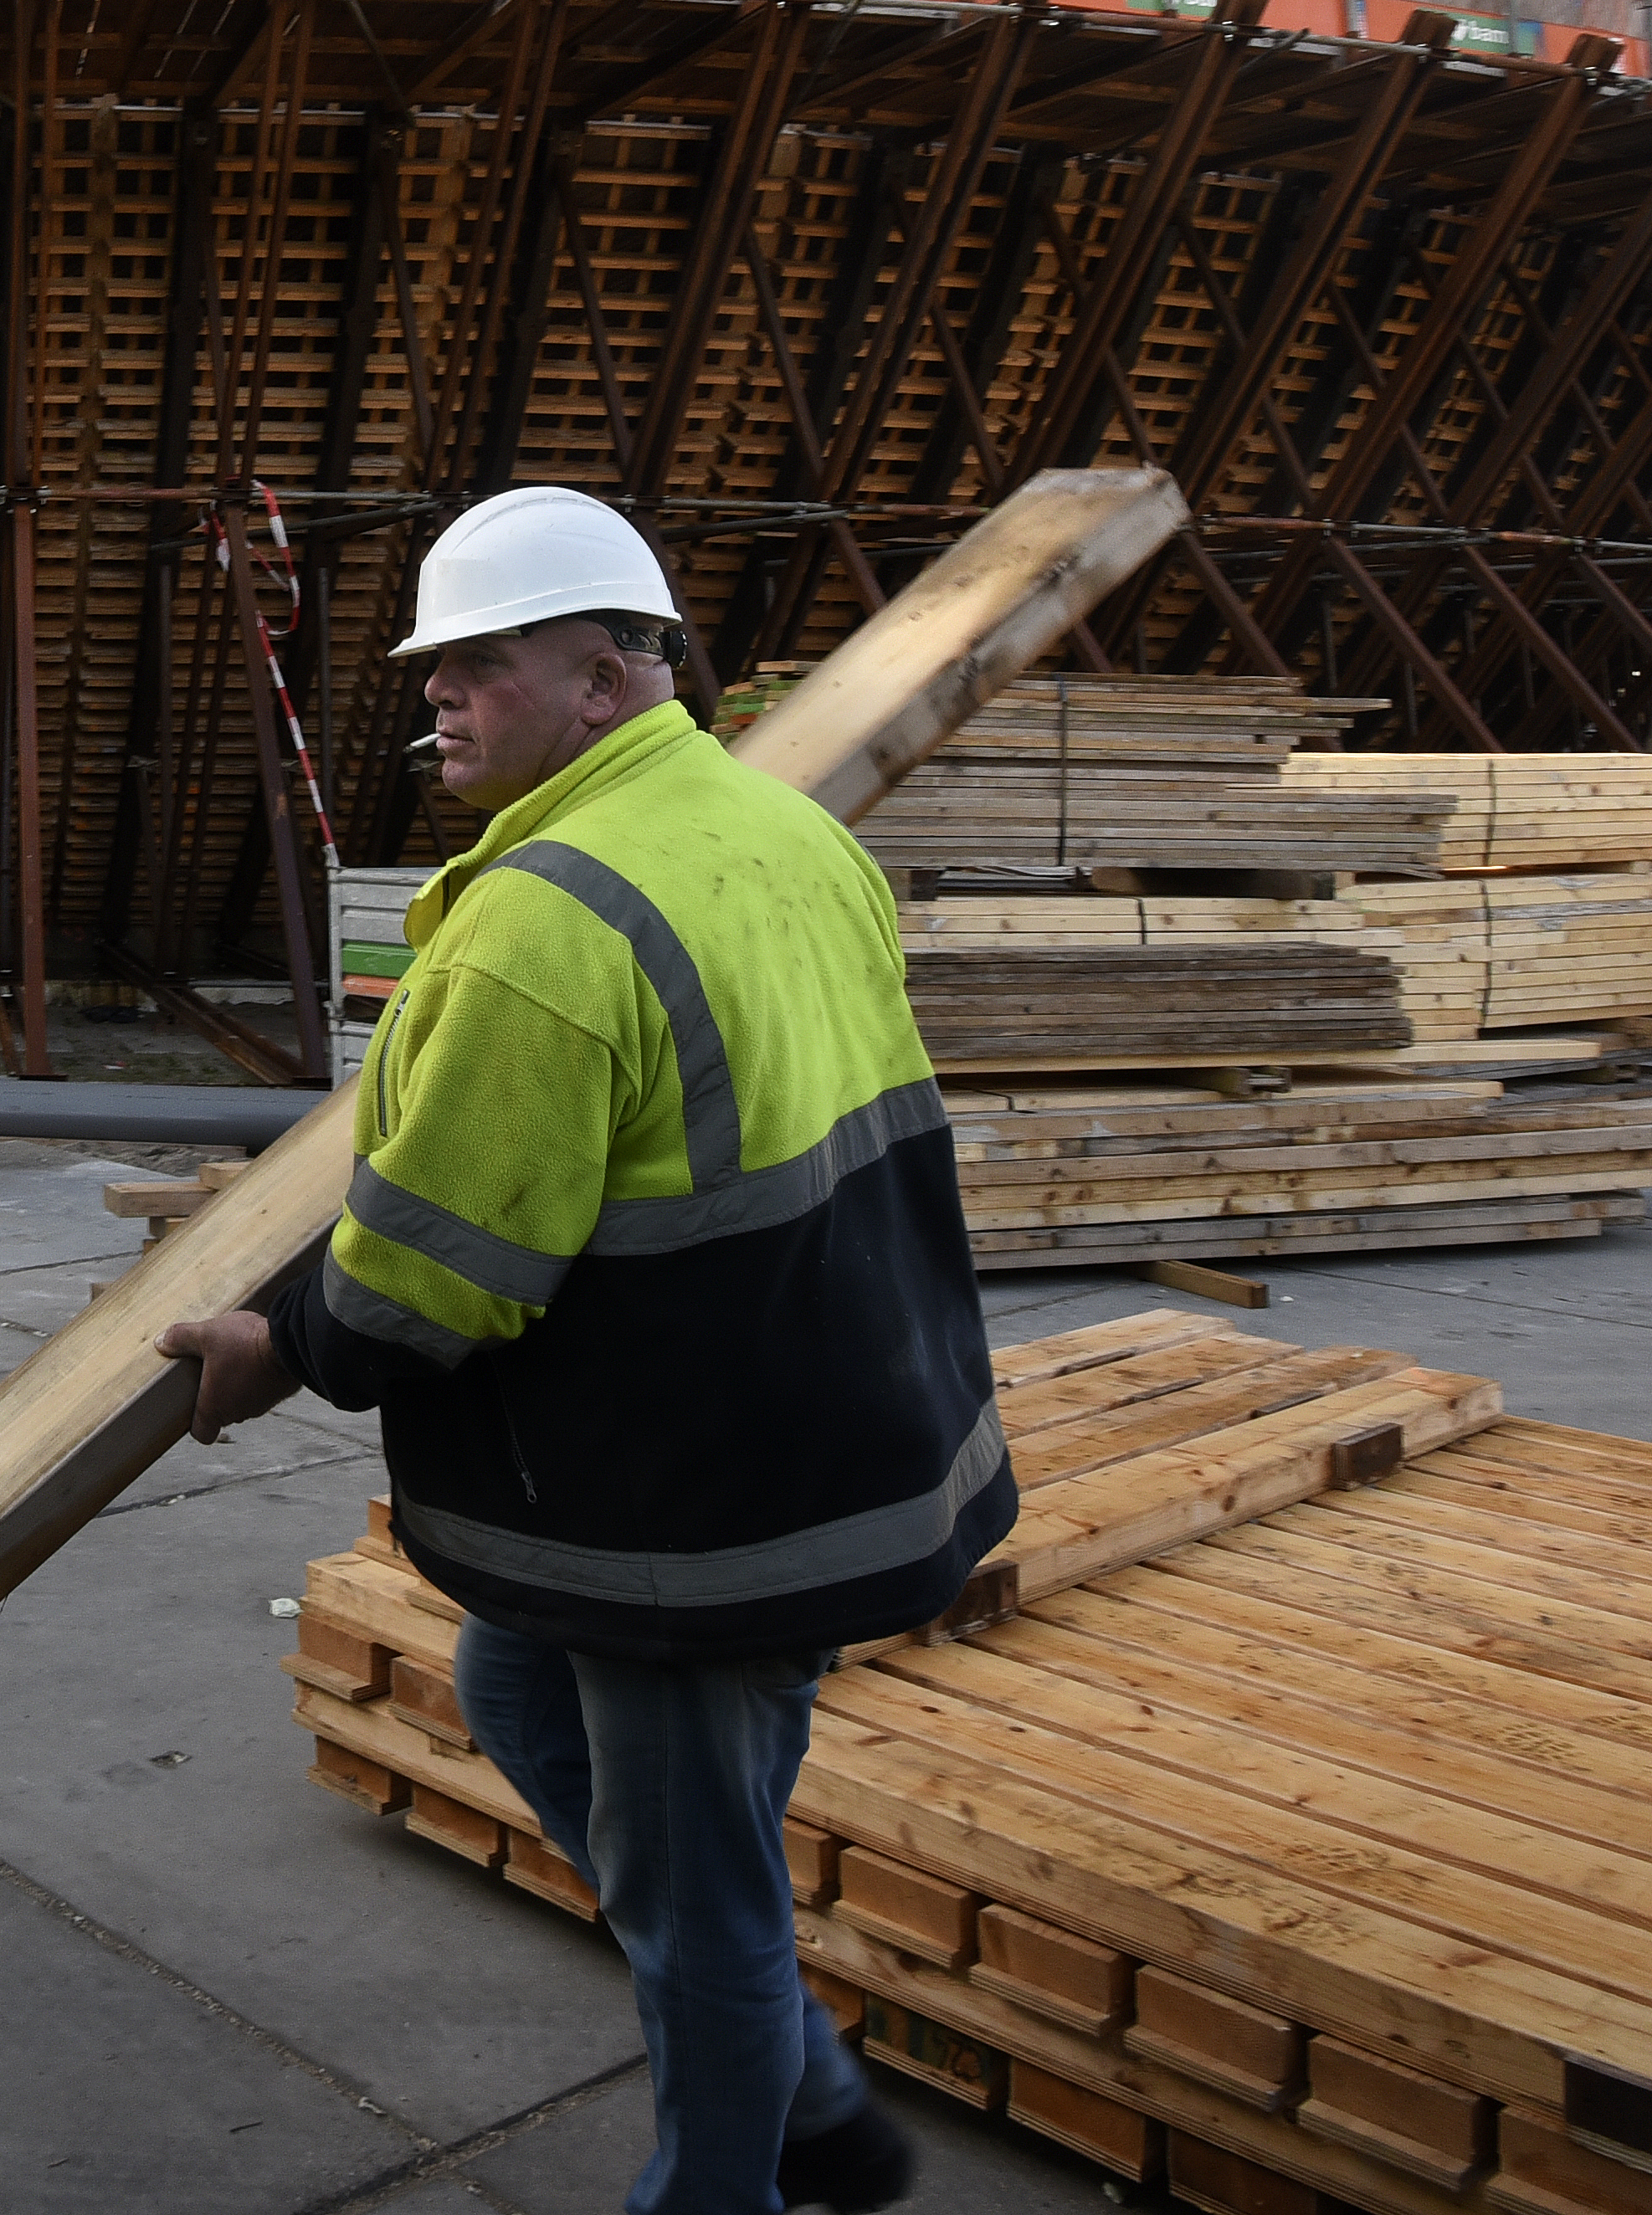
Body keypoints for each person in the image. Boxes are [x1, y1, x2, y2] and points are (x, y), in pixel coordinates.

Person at [162, 485, 1007, 2215]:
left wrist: (276, 1336)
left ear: (612, 675)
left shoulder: (548, 925)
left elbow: (422, 1287)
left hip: (704, 1507)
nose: (439, 699)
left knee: (702, 1899)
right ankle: (815, 2094)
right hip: (841, 1426)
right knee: (506, 1682)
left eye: (480, 664)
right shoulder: (778, 828)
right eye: (439, 667)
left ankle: (740, 2174)